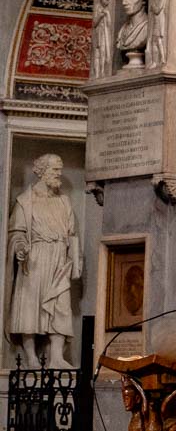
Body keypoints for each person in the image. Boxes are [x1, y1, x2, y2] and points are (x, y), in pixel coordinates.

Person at [8, 154, 80, 369]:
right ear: (41, 171)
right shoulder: (25, 201)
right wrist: (20, 248)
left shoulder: (63, 201)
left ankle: (56, 357)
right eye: (55, 169)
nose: (59, 174)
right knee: (30, 305)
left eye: (60, 169)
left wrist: (74, 260)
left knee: (61, 305)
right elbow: (16, 232)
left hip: (60, 258)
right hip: (35, 258)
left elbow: (72, 234)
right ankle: (30, 357)